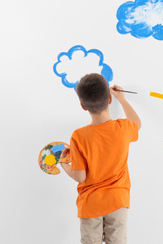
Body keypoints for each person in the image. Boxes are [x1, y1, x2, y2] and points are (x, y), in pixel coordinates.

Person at [60, 73, 141, 244]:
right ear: (109, 100)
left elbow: (80, 176)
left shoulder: (79, 136)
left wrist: (63, 163)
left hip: (90, 205)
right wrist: (123, 99)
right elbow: (137, 123)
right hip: (118, 201)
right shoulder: (123, 129)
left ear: (83, 105)